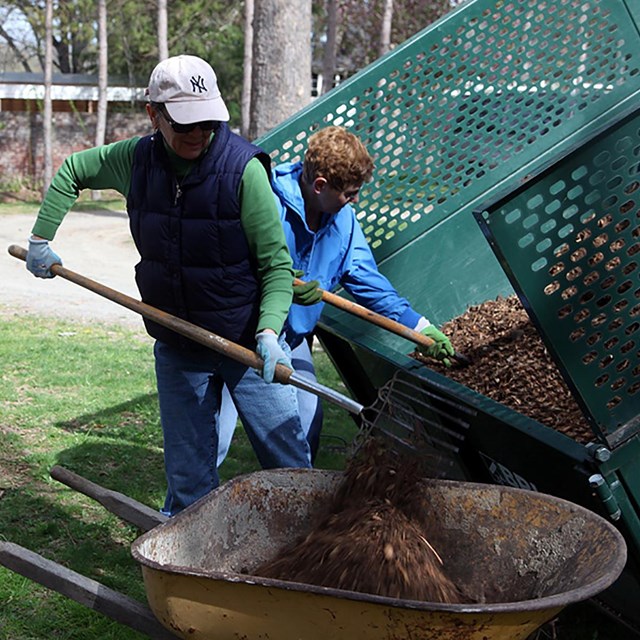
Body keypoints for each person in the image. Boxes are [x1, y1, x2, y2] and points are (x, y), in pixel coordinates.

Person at [25, 54, 311, 516]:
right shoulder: (135, 161)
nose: (199, 134)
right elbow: (73, 171)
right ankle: (186, 573)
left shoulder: (244, 170)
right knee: (188, 479)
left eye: (208, 122)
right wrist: (41, 238)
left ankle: (309, 561)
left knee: (290, 466)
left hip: (250, 345)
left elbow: (277, 267)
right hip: (179, 345)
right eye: (185, 123)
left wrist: (269, 331)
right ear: (154, 115)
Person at [218, 125, 454, 463]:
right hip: (239, 332)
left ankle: (290, 507)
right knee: (214, 440)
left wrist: (419, 326)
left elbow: (366, 279)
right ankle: (185, 512)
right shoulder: (266, 199)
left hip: (292, 337)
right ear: (320, 186)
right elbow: (227, 263)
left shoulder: (342, 220)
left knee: (304, 427)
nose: (354, 200)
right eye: (349, 193)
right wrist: (279, 285)